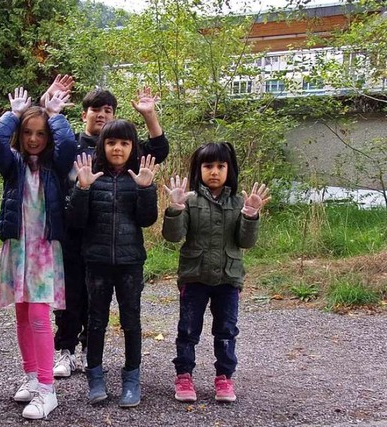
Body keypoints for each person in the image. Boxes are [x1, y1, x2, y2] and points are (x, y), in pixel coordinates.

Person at [43, 78, 170, 379]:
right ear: (84, 113)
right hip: (74, 229)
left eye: (108, 110)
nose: (101, 114)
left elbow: (158, 150)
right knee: (70, 295)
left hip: (108, 237)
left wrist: (149, 115)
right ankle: (66, 350)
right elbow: (37, 138)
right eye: (95, 109)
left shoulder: (120, 146)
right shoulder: (70, 144)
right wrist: (48, 106)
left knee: (97, 301)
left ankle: (90, 351)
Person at [0, 87, 76, 419]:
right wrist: (13, 114)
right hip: (17, 249)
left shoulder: (55, 166)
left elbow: (67, 143)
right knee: (22, 316)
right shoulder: (13, 166)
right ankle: (30, 377)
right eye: (28, 132)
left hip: (43, 251)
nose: (34, 139)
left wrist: (54, 115)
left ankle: (47, 389)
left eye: (40, 133)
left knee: (39, 316)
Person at [161, 142, 271, 403]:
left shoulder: (237, 203)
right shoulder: (191, 201)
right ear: (198, 169)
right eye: (208, 166)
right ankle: (184, 375)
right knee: (188, 329)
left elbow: (245, 242)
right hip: (194, 276)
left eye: (221, 166)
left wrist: (251, 215)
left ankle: (224, 377)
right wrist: (176, 209)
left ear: (229, 169)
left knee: (226, 330)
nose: (214, 171)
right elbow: (173, 236)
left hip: (228, 278)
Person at [68, 120, 159, 408]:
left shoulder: (140, 178)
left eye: (124, 143)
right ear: (101, 146)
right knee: (96, 322)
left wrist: (145, 189)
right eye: (111, 143)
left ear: (132, 147)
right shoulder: (89, 177)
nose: (117, 148)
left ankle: (131, 378)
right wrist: (82, 189)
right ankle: (95, 376)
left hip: (130, 262)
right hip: (96, 262)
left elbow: (147, 220)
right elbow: (75, 221)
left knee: (131, 321)